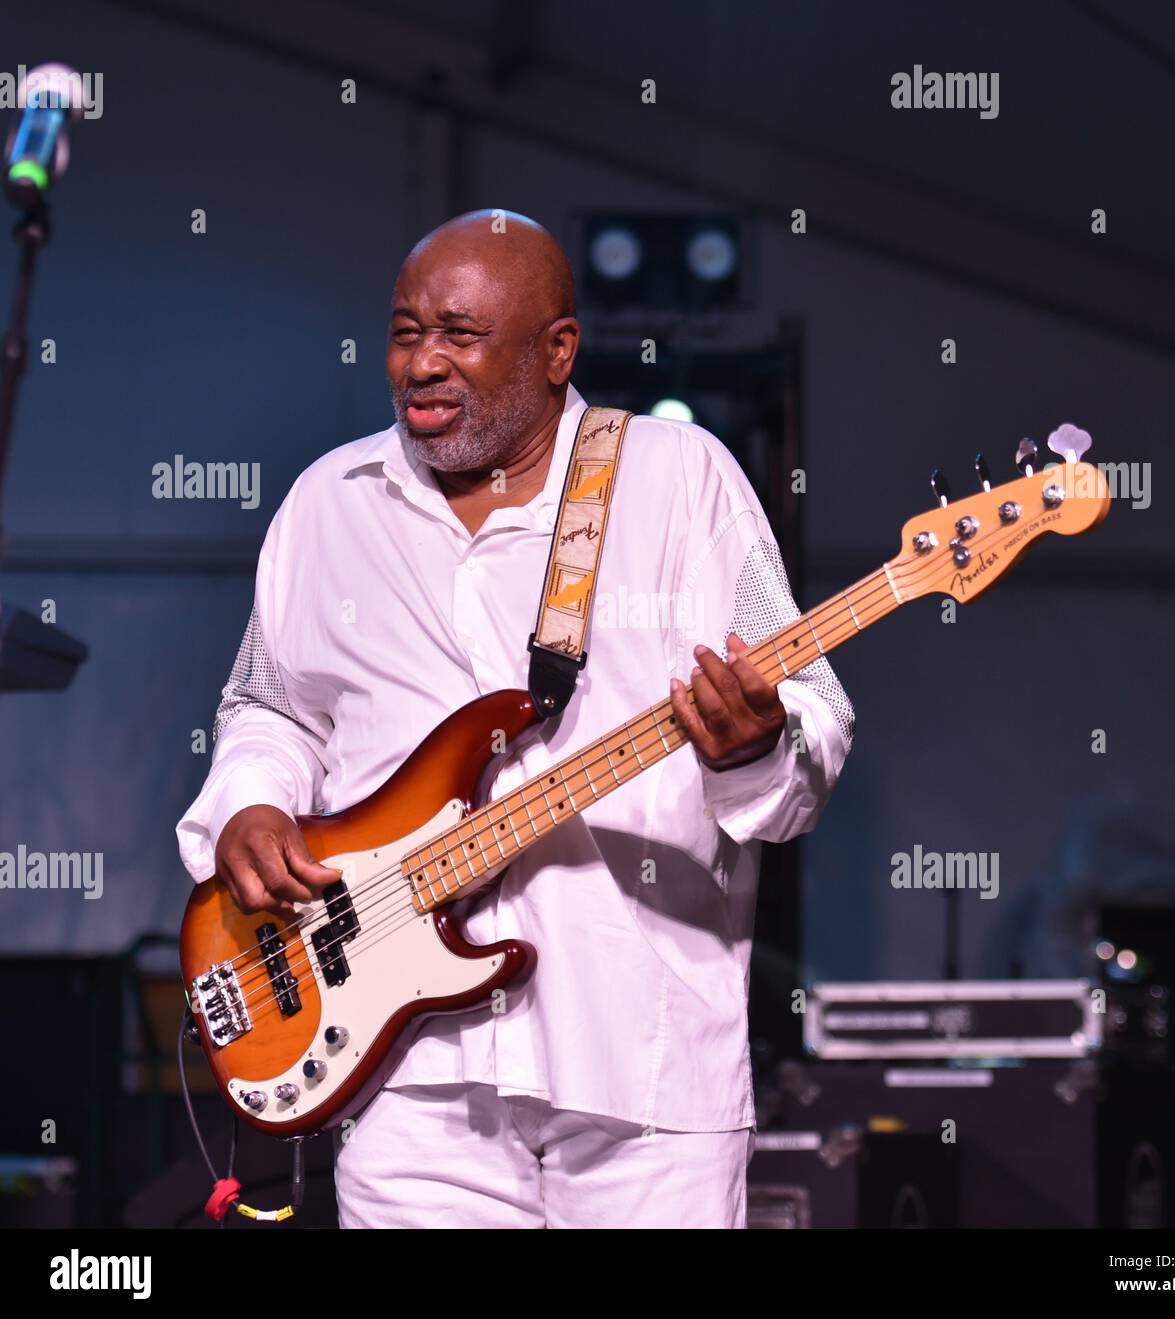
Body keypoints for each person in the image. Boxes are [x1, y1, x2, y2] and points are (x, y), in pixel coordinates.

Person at [176, 209, 854, 1228]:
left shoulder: (681, 479)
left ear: (556, 350)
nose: (423, 363)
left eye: (461, 333)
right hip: (404, 1071)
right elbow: (269, 705)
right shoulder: (329, 503)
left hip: (645, 1066)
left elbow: (816, 712)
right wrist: (251, 800)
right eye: (406, 333)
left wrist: (756, 744)